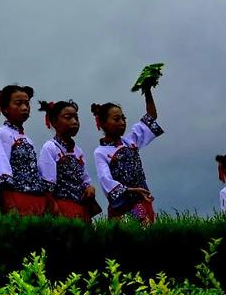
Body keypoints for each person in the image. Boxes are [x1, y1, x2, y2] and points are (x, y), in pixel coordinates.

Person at [92, 85, 163, 224]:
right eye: (116, 119)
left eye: (123, 118)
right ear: (103, 124)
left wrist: (147, 91)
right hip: (122, 206)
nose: (122, 123)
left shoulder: (130, 141)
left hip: (143, 199)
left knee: (147, 238)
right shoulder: (101, 152)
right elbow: (106, 180)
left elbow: (151, 117)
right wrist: (133, 190)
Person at [0, 84, 48, 216]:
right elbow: (2, 168)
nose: (24, 108)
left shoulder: (27, 139)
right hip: (16, 197)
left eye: (27, 104)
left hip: (35, 197)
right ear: (5, 108)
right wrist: (8, 203)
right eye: (18, 103)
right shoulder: (1, 133)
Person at [38, 99, 98, 222]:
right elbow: (47, 184)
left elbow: (85, 179)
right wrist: (53, 208)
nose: (74, 121)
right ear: (54, 122)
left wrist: (89, 187)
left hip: (80, 208)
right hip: (60, 207)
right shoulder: (50, 148)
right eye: (68, 117)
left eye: (76, 117)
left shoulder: (78, 151)